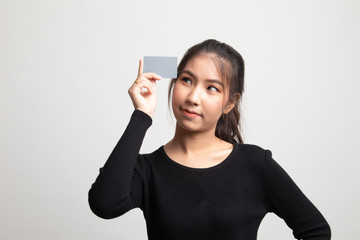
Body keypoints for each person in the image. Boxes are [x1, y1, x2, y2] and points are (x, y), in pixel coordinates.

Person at [88, 39, 331, 239]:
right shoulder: (148, 169)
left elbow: (316, 231)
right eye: (186, 80)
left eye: (212, 88)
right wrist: (141, 115)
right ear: (173, 83)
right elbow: (104, 204)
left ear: (230, 102)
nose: (193, 97)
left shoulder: (255, 164)